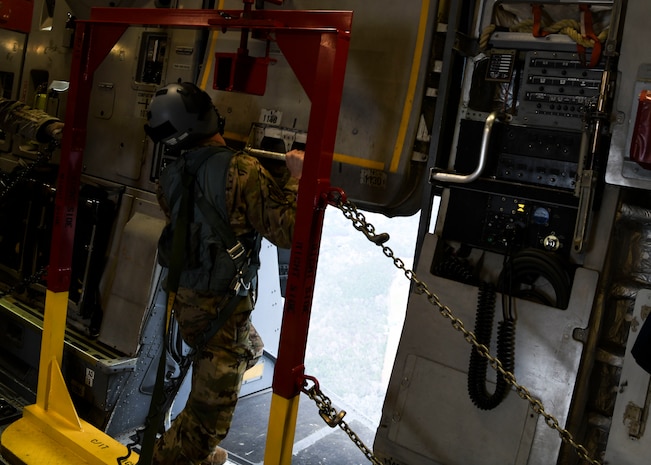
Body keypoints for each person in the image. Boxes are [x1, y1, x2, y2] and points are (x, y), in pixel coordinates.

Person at [144, 81, 304, 465]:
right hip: (221, 310)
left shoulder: (171, 178)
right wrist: (299, 176)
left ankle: (195, 450)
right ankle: (176, 456)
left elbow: (218, 213)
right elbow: (289, 230)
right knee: (207, 426)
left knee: (253, 349)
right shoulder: (242, 170)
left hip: (190, 302)